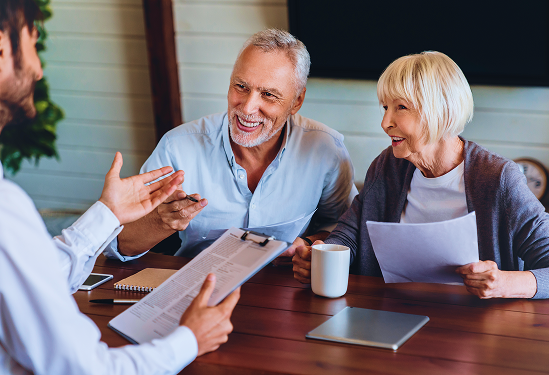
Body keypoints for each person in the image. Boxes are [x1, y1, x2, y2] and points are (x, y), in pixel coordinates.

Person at [0, 1, 239, 373]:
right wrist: (189, 339)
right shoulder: (4, 209)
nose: (38, 69)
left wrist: (107, 213)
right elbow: (83, 369)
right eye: (33, 40)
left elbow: (34, 282)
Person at [293, 51, 549, 299]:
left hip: (477, 326)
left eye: (401, 107)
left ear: (440, 110)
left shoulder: (498, 179)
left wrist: (504, 283)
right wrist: (323, 254)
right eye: (385, 107)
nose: (385, 122)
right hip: (389, 315)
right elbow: (351, 233)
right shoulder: (387, 166)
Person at [106, 29, 357, 261]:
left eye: (268, 95)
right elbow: (119, 246)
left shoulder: (326, 149)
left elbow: (345, 228)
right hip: (200, 289)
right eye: (241, 87)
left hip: (287, 292)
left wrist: (307, 244)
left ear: (296, 101)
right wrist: (160, 222)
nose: (247, 108)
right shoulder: (177, 147)